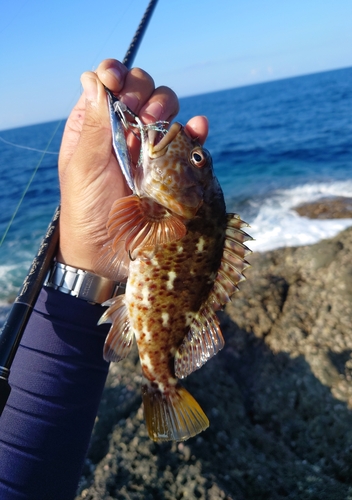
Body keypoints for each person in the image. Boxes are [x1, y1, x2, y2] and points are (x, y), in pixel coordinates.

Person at [0, 59, 209, 500]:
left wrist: (88, 260)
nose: (185, 146)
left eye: (194, 160)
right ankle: (163, 384)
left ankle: (162, 384)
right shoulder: (170, 214)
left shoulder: (170, 217)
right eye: (196, 157)